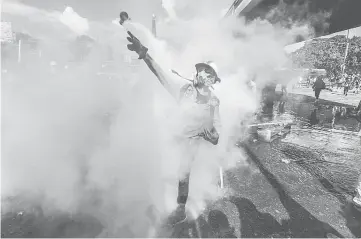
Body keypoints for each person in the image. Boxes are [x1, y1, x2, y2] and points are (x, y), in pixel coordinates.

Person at [125, 31, 221, 225]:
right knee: (163, 160)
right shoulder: (184, 91)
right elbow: (161, 75)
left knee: (183, 172)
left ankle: (180, 209)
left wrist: (211, 134)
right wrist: (145, 55)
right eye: (198, 71)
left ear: (210, 80)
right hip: (176, 134)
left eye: (204, 72)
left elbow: (216, 133)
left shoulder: (213, 102)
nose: (198, 73)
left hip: (190, 142)